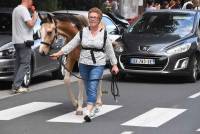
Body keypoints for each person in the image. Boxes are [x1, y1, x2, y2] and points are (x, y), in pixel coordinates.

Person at [50, 7, 119, 122]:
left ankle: (88, 111)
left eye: (95, 18)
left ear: (99, 19)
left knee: (92, 86)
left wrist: (114, 65)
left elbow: (109, 50)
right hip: (84, 63)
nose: (92, 19)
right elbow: (71, 45)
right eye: (91, 17)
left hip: (98, 63)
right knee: (87, 86)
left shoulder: (104, 34)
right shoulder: (82, 33)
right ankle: (91, 106)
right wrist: (59, 53)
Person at [12, 0, 38, 93]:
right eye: (31, 1)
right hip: (24, 41)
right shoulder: (24, 10)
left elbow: (23, 24)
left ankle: (15, 85)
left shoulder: (16, 9)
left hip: (16, 41)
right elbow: (30, 24)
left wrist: (31, 12)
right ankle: (17, 86)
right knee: (25, 63)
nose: (32, 2)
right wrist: (35, 16)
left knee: (18, 64)